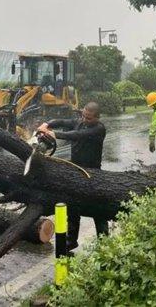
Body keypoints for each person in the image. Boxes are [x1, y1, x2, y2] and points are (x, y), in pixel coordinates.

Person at [37, 102, 107, 251]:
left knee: (98, 208)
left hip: (93, 173)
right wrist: (47, 124)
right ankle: (71, 240)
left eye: (88, 118)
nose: (84, 119)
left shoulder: (99, 129)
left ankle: (104, 243)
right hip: (75, 170)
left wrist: (55, 134)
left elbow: (76, 136)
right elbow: (61, 121)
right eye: (83, 116)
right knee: (73, 205)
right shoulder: (79, 122)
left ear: (97, 118)